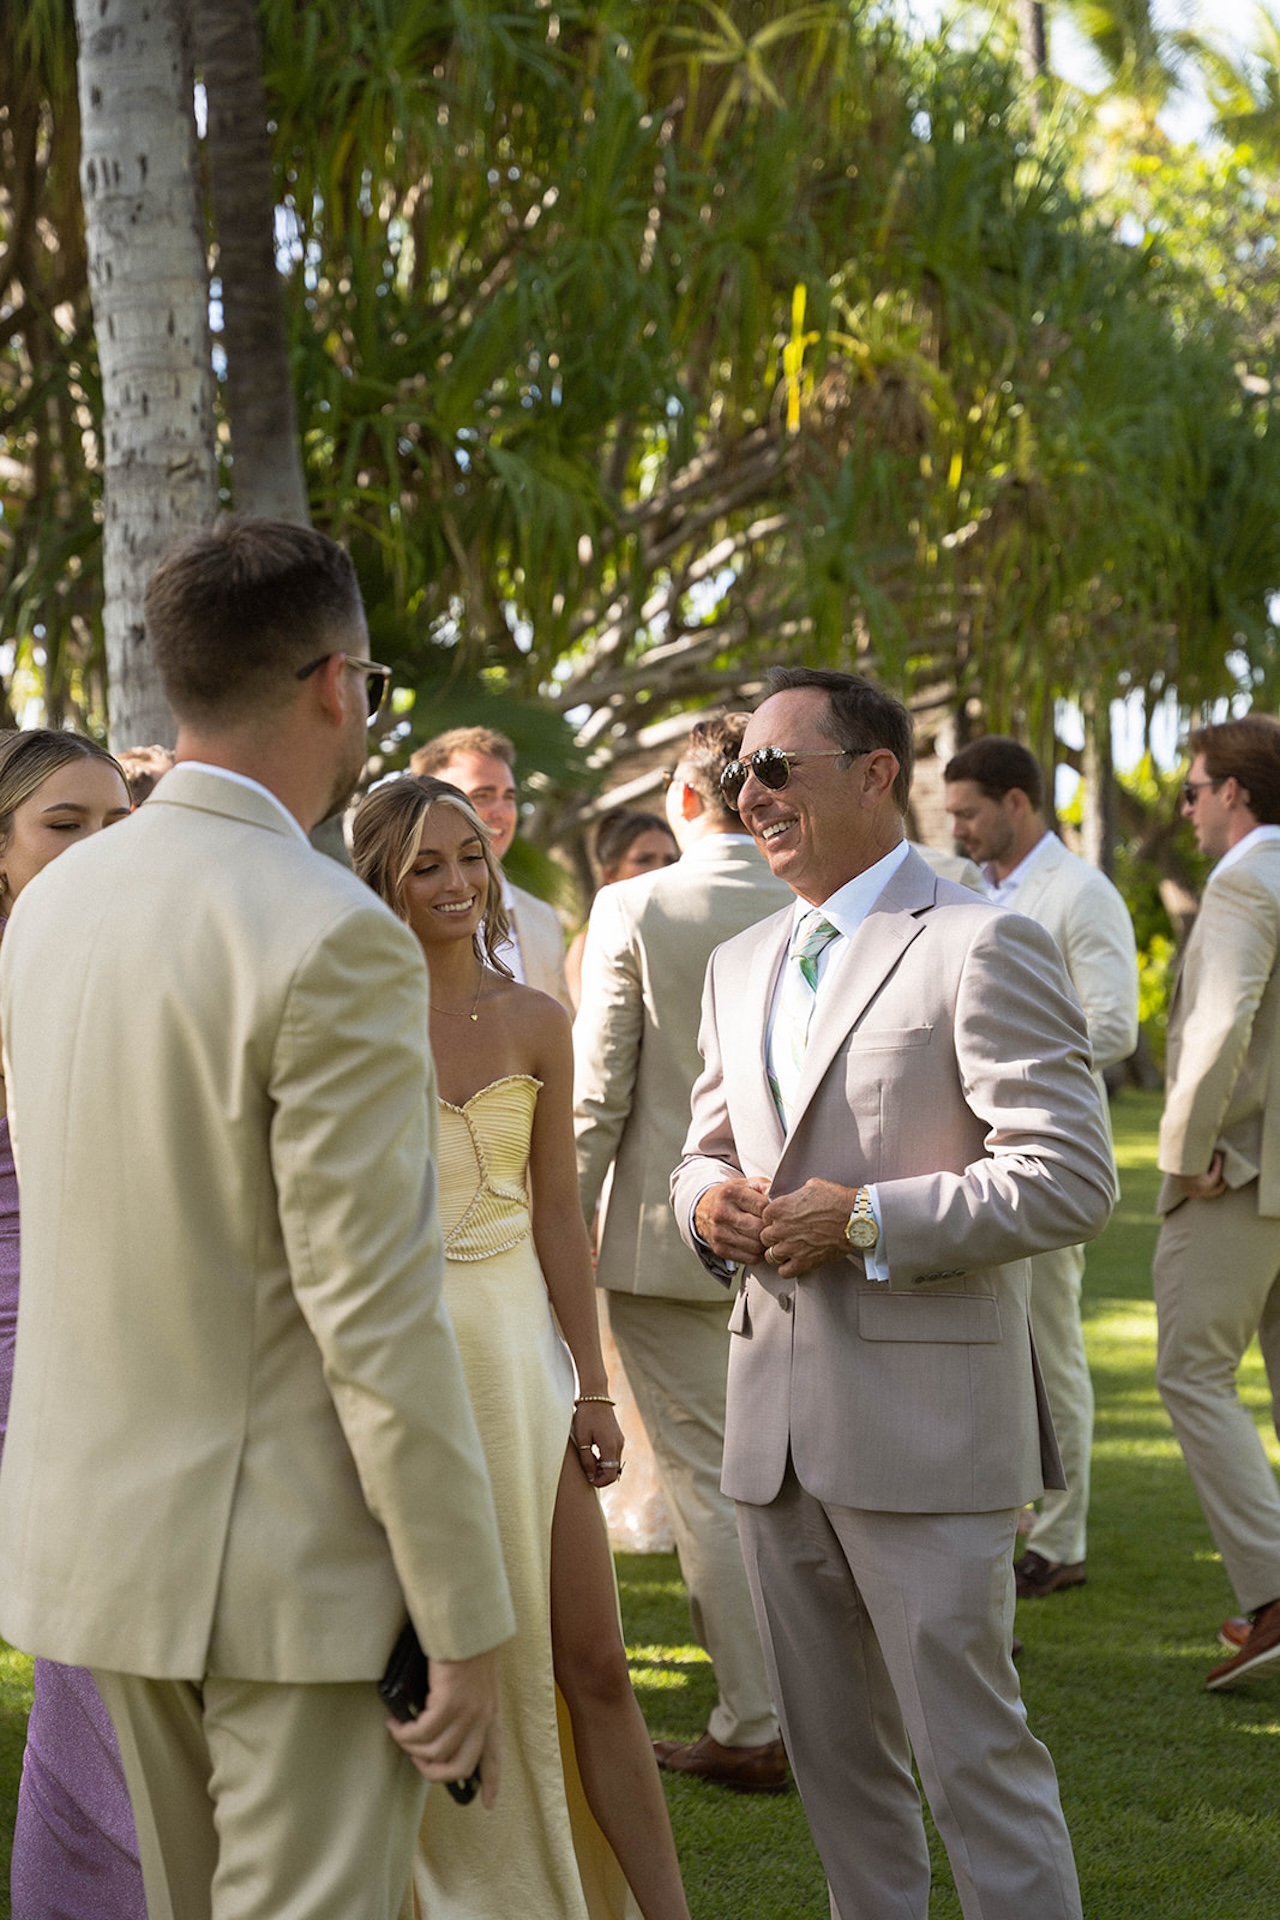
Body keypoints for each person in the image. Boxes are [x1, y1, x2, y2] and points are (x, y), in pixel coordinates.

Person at [0, 519, 515, 1920]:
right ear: (338, 683)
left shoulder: (52, 910)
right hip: (287, 1570)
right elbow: (375, 1308)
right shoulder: (330, 930)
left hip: (101, 1550)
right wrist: (465, 1616)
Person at [672, 666, 1116, 1920]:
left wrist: (865, 1218)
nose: (743, 792)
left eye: (773, 768)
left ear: (876, 775)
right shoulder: (739, 962)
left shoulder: (983, 937)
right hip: (772, 1435)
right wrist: (700, 1205)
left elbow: (1069, 1178)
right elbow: (702, 1147)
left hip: (926, 1434)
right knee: (834, 1775)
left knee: (973, 1763)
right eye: (733, 773)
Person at [353, 774, 690, 1920]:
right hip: (400, 1359)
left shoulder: (536, 1018)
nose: (456, 882)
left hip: (519, 1359)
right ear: (381, 882)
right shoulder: (348, 1019)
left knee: (592, 1661)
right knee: (423, 1666)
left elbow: (557, 1215)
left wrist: (592, 1387)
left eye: (469, 857)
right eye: (425, 865)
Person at [574, 716, 791, 1793]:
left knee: (710, 1483)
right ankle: (827, 1709)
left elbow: (595, 1095)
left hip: (667, 1246)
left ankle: (753, 1724)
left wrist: (553, 1237)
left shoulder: (633, 905)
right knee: (805, 1479)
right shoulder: (818, 894)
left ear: (688, 797)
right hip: (808, 1235)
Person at [0, 730, 143, 1918]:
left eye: (115, 824)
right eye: (63, 824)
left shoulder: (138, 969)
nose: (99, 849)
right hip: (25, 1361)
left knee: (88, 1674)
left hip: (119, 1352)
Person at [945, 734, 1139, 1598]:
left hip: (1045, 1150)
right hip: (965, 1157)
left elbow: (1117, 1026)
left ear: (1017, 803)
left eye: (968, 813)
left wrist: (1002, 1057)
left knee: (1052, 1347)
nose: (957, 831)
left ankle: (1060, 1544)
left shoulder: (1081, 893)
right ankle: (1003, 1511)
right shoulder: (964, 890)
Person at [1153, 715, 1280, 1690]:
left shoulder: (1244, 878)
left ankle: (1272, 1590)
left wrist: (1184, 1154)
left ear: (1233, 792)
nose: (1186, 806)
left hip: (1236, 1174)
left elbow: (1216, 1028)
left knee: (1190, 1371)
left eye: (1192, 789)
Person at [410, 726, 571, 1009]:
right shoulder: (402, 912)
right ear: (430, 802)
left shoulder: (542, 919)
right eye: (482, 795)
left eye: (508, 797)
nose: (502, 811)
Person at [565, 809, 678, 1009]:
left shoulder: (683, 929)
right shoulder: (588, 941)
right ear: (610, 874)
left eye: (670, 861)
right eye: (644, 860)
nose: (660, 870)